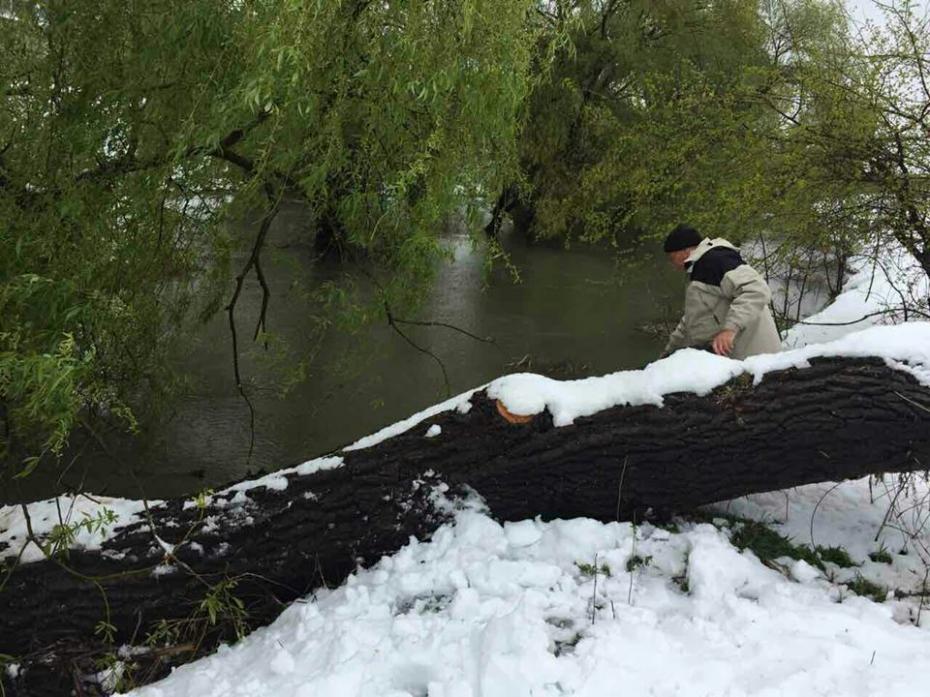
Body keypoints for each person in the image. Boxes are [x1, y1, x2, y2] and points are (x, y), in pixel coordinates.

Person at [661, 223, 781, 359]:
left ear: (684, 251)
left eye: (672, 258)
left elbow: (756, 290)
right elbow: (691, 319)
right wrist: (668, 353)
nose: (672, 265)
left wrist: (729, 329)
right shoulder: (697, 269)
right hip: (734, 363)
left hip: (756, 360)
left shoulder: (717, 260)